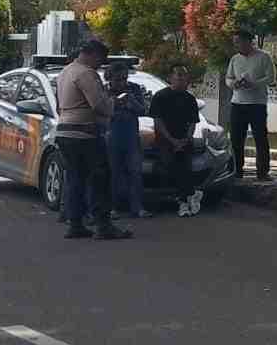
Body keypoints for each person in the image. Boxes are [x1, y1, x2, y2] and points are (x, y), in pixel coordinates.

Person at [54, 39, 130, 240]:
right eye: (101, 59)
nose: (101, 64)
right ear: (93, 54)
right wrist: (114, 103)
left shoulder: (65, 71)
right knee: (99, 178)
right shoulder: (86, 73)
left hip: (64, 131)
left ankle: (75, 223)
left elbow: (59, 105)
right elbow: (99, 105)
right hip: (85, 133)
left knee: (75, 179)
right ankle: (103, 225)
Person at [149, 63, 203, 217]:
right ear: (170, 78)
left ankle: (183, 202)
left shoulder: (190, 99)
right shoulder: (160, 97)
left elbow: (193, 122)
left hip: (184, 140)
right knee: (171, 164)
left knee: (184, 167)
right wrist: (172, 141)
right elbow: (158, 122)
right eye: (178, 75)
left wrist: (186, 139)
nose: (182, 79)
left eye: (184, 76)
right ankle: (191, 194)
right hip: (165, 140)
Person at [224, 30, 275, 180]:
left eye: (238, 41)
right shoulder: (235, 59)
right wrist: (233, 84)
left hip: (257, 104)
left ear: (248, 41)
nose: (236, 45)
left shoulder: (264, 57)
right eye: (234, 42)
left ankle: (263, 172)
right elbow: (228, 78)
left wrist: (254, 84)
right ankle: (237, 170)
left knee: (260, 138)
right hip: (237, 103)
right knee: (236, 138)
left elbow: (270, 78)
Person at [105, 62, 148, 220]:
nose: (122, 83)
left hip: (131, 136)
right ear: (110, 78)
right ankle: (112, 207)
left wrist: (131, 102)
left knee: (135, 172)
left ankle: (137, 207)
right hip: (112, 135)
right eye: (118, 79)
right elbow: (100, 112)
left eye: (124, 78)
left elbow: (143, 110)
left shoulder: (134, 89)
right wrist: (114, 104)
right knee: (113, 173)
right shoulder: (104, 90)